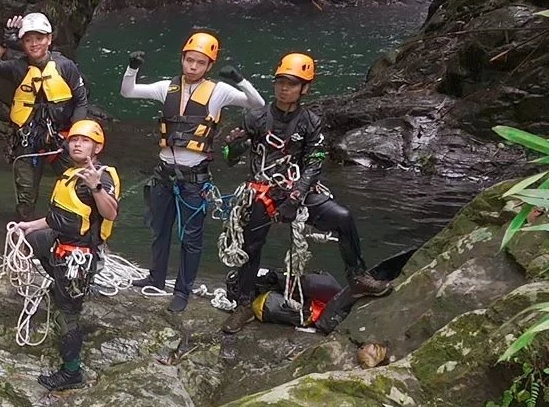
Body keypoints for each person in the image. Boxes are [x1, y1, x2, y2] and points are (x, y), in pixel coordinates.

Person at [220, 53, 389, 334]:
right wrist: (235, 146)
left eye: (292, 84)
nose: (284, 88)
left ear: (304, 88)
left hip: (297, 188)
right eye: (280, 82)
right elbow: (228, 157)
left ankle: (358, 277)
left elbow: (314, 163)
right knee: (250, 246)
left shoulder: (311, 122)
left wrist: (295, 197)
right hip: (262, 190)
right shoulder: (256, 117)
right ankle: (244, 303)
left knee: (342, 217)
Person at [120, 32, 265, 313]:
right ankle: (156, 278)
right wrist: (132, 68)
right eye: (189, 60)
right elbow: (129, 91)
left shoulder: (218, 92)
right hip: (165, 174)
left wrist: (240, 80)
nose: (193, 67)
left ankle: (183, 290)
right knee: (159, 230)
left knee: (190, 237)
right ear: (182, 59)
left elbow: (258, 105)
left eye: (200, 62)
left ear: (209, 65)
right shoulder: (167, 88)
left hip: (194, 179)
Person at [12, 119, 119, 392]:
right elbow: (58, 216)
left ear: (97, 147)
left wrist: (96, 188)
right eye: (74, 140)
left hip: (79, 255)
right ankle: (61, 286)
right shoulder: (70, 174)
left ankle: (72, 372)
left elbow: (110, 213)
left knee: (66, 315)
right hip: (60, 243)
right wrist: (30, 226)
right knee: (30, 240)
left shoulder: (101, 177)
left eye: (84, 140)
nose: (77, 144)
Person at [0, 12, 98, 221]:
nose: (34, 44)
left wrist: (74, 137)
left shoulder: (65, 66)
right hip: (27, 140)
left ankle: (81, 231)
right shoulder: (18, 67)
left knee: (79, 184)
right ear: (21, 43)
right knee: (26, 197)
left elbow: (81, 100)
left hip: (59, 138)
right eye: (28, 40)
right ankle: (23, 239)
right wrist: (3, 43)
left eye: (39, 38)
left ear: (49, 39)